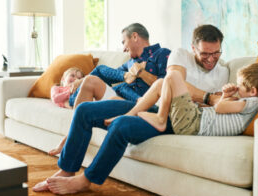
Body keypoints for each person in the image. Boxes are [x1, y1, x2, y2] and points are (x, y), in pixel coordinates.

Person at [32, 24, 228, 195]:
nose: (211, 59)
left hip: (175, 118)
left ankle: (85, 181)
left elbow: (217, 103)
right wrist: (209, 97)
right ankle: (66, 170)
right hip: (152, 105)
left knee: (121, 124)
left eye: (216, 53)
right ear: (193, 48)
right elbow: (176, 81)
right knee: (85, 110)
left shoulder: (223, 72)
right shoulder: (180, 55)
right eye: (205, 53)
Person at [48, 23, 171, 156]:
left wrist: (141, 73)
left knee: (117, 85)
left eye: (124, 42)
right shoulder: (129, 62)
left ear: (135, 36)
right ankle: (70, 138)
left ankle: (68, 140)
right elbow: (108, 74)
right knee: (91, 80)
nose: (123, 49)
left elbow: (166, 87)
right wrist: (81, 80)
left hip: (140, 104)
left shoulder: (162, 54)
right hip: (120, 97)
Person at [117, 62, 258, 136]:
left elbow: (219, 108)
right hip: (195, 118)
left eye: (240, 86)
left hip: (194, 123)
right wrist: (226, 96)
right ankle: (130, 114)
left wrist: (226, 97)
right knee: (160, 83)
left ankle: (160, 118)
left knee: (173, 75)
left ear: (253, 91)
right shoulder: (247, 103)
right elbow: (223, 107)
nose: (237, 89)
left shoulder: (252, 102)